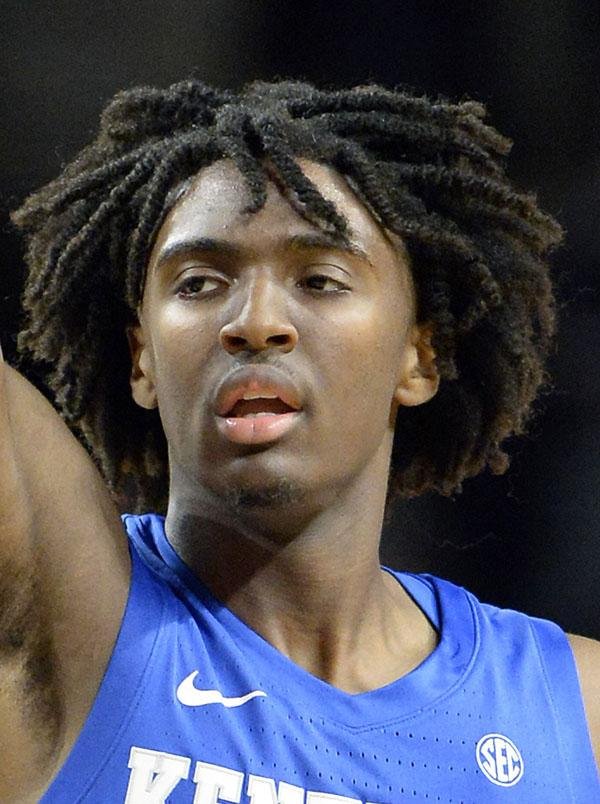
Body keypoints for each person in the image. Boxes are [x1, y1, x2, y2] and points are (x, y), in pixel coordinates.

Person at [1, 78, 598, 803]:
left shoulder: (575, 717)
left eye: (319, 280)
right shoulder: (68, 623)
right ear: (142, 360)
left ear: (421, 357)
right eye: (197, 282)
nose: (254, 321)